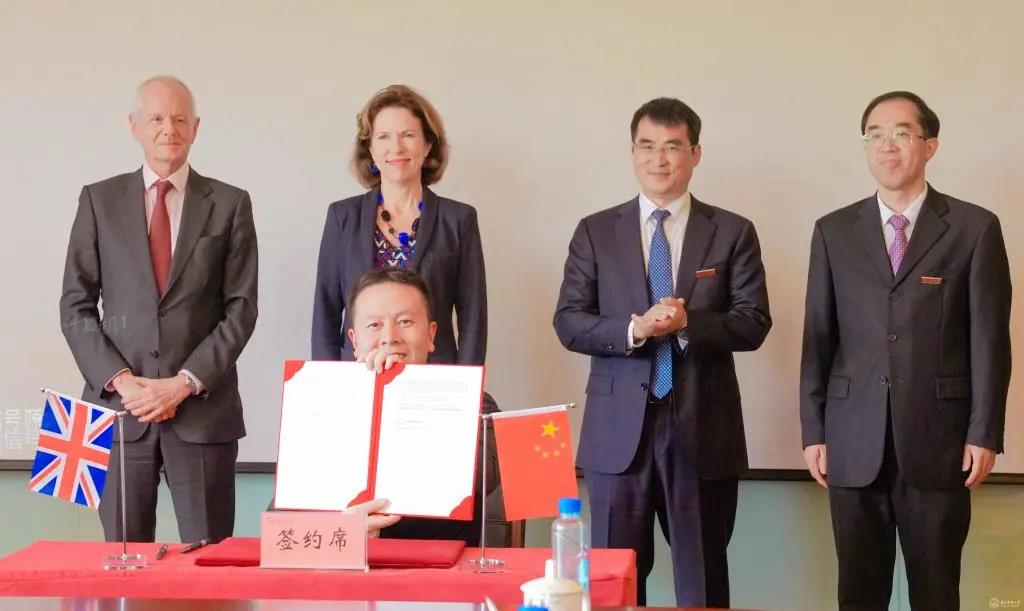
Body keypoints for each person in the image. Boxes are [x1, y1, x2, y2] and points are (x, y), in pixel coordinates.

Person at [553, 98, 771, 607]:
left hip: (701, 429)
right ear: (632, 152)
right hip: (617, 434)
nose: (659, 159)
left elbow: (753, 323)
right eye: (647, 146)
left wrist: (689, 322)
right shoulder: (595, 230)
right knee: (613, 585)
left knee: (702, 582)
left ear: (695, 154)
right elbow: (569, 321)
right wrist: (635, 329)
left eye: (672, 147)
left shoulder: (732, 231)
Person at [800, 91, 1011, 611]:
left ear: (930, 145)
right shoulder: (833, 231)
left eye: (900, 133)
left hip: (940, 442)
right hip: (852, 441)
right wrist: (814, 431)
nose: (886, 145)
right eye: (874, 135)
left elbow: (990, 340)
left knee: (936, 592)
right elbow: (818, 337)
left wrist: (984, 432)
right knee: (858, 593)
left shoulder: (974, 228)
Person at [59, 76, 258, 543]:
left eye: (180, 119)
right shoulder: (98, 200)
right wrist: (123, 383)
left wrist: (183, 383)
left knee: (207, 561)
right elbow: (75, 304)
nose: (169, 128)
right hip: (117, 413)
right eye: (156, 118)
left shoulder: (230, 203)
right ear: (134, 126)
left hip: (203, 414)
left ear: (196, 127)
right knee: (123, 562)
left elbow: (241, 308)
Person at [313, 268, 498, 543]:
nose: (390, 337)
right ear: (354, 341)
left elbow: (482, 478)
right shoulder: (321, 406)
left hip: (438, 561)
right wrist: (339, 530)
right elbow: (288, 511)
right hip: (344, 557)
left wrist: (400, 394)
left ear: (431, 335)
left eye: (405, 322)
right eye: (374, 325)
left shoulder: (474, 401)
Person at [312, 84, 486, 366]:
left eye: (408, 135)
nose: (396, 147)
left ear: (427, 145)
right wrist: (328, 382)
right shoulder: (342, 217)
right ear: (370, 148)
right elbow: (325, 312)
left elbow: (473, 317)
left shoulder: (458, 219)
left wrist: (467, 383)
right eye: (383, 137)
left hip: (434, 376)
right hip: (359, 373)